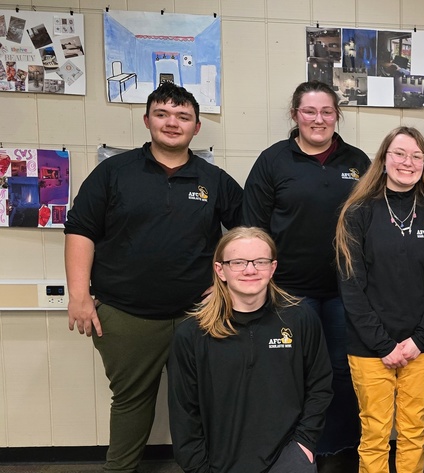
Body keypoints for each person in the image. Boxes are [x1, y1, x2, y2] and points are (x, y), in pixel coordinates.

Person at [64, 82, 241, 473]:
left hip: (199, 316)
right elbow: (80, 230)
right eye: (162, 114)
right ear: (147, 121)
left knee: (202, 401)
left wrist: (227, 283)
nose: (172, 123)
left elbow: (248, 237)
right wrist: (78, 294)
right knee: (130, 402)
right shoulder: (114, 173)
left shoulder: (214, 180)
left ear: (197, 127)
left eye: (183, 117)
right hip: (126, 317)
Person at [242, 80, 370, 472]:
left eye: (326, 112)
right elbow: (252, 227)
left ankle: (337, 449)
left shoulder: (359, 162)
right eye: (309, 111)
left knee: (340, 372)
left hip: (344, 293)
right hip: (289, 292)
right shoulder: (273, 161)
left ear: (337, 116)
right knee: (288, 373)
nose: (318, 119)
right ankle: (289, 452)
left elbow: (373, 223)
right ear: (295, 115)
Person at [336, 126, 424, 473]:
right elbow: (351, 286)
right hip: (369, 347)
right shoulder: (358, 211)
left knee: (414, 430)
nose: (408, 162)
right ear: (383, 159)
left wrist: (419, 340)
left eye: (417, 156)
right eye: (400, 154)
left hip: (423, 345)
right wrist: (383, 345)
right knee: (374, 433)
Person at [167, 226, 333, 473]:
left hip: (288, 459)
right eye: (238, 262)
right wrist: (198, 468)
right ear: (220, 270)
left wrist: (304, 445)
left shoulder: (300, 319)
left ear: (273, 268)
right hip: (218, 464)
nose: (250, 269)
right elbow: (184, 414)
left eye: (260, 261)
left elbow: (320, 386)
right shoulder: (192, 334)